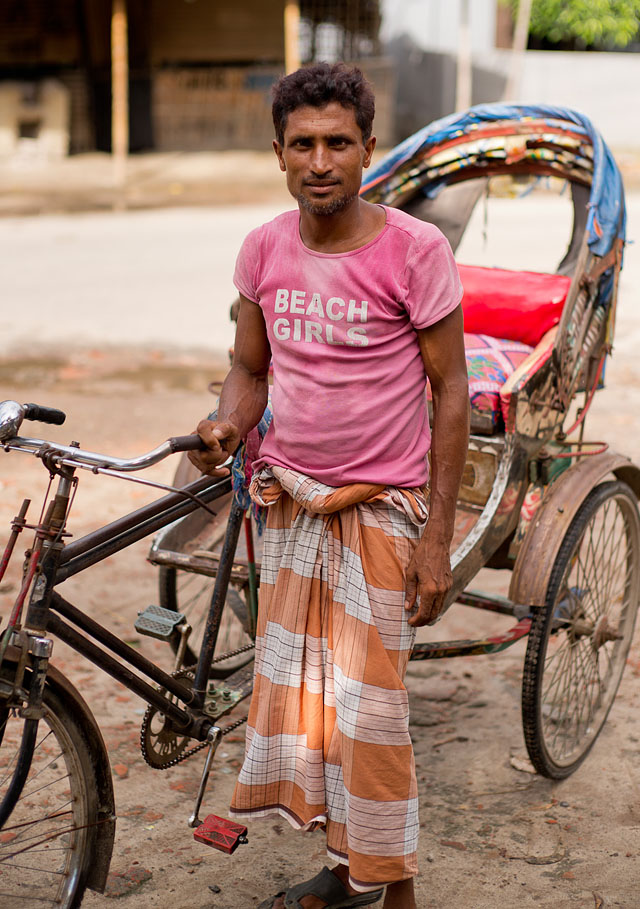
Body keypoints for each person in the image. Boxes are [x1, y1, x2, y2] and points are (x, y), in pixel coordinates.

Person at [190, 62, 470, 909]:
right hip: (291, 504)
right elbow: (248, 369)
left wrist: (435, 543)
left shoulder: (415, 252)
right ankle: (353, 870)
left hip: (381, 508)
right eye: (303, 144)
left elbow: (451, 391)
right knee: (314, 710)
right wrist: (229, 427)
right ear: (278, 153)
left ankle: (397, 889)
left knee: (372, 716)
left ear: (368, 150)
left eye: (338, 143)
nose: (321, 161)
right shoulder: (264, 249)